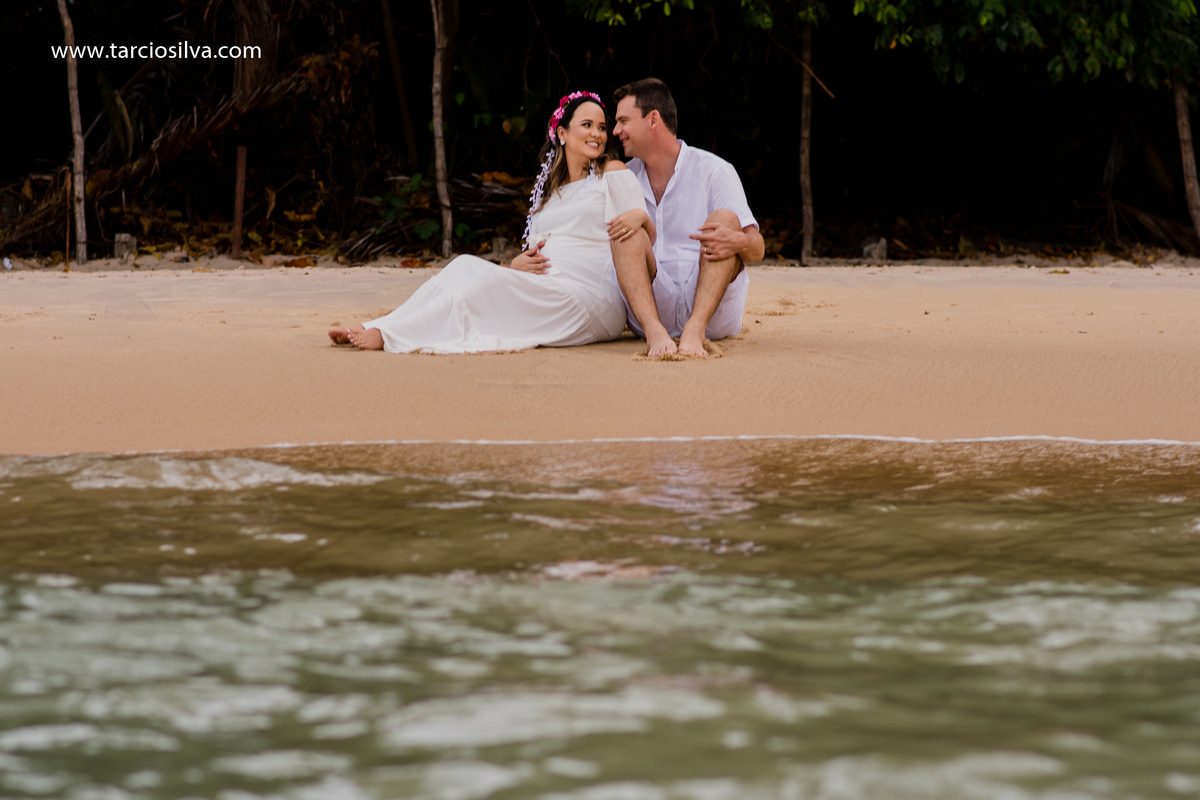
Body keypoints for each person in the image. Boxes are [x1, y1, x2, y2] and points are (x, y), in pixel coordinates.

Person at [329, 91, 653, 353]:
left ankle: (388, 334)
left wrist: (642, 216)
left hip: (590, 298)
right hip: (545, 288)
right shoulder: (548, 195)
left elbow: (643, 239)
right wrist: (516, 264)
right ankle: (383, 324)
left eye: (601, 126)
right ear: (562, 133)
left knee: (477, 281)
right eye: (587, 125)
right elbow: (535, 248)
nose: (597, 133)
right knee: (463, 267)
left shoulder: (611, 173)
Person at [609, 78, 765, 358]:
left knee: (725, 219)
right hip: (651, 307)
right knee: (624, 230)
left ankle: (695, 329)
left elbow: (757, 248)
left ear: (653, 119)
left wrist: (738, 240)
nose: (615, 130)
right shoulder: (623, 178)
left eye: (623, 121)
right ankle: (656, 333)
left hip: (711, 304)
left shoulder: (715, 170)